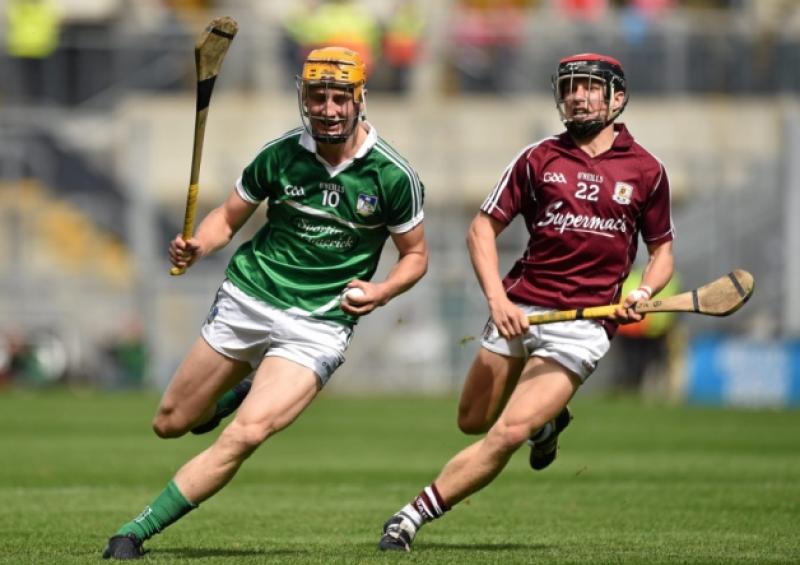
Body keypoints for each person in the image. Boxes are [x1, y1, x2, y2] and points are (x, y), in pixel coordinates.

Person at [102, 46, 428, 560]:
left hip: (318, 324)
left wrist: (382, 290)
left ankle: (134, 532)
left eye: (339, 96)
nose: (328, 107)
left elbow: (415, 257)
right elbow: (227, 219)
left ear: (359, 99)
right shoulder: (280, 155)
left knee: (245, 434)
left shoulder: (391, 176)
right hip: (249, 298)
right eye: (317, 96)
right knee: (170, 423)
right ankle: (237, 390)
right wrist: (198, 245)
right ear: (304, 98)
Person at [378, 52, 675, 552]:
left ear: (617, 97)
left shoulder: (646, 170)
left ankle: (408, 518)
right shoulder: (538, 158)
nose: (577, 95)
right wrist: (497, 301)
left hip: (584, 325)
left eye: (589, 87)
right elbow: (481, 230)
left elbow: (662, 251)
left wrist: (642, 293)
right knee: (472, 420)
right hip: (520, 307)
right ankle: (550, 423)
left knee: (507, 432)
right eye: (569, 87)